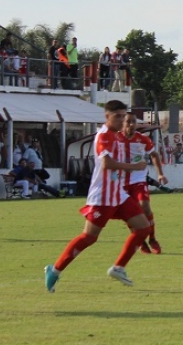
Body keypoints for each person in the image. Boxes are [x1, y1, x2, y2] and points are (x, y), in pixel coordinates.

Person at [44, 100, 152, 292]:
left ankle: (118, 268)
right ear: (106, 116)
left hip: (117, 194)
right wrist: (134, 167)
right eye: (117, 116)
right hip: (102, 196)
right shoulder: (103, 136)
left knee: (143, 228)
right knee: (89, 237)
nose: (122, 119)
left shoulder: (116, 136)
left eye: (123, 115)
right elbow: (107, 164)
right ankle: (55, 269)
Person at [121, 113, 167, 254]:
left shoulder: (142, 139)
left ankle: (152, 239)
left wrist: (160, 173)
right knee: (129, 214)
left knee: (145, 206)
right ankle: (140, 241)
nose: (131, 124)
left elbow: (154, 154)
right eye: (128, 122)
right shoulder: (115, 139)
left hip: (138, 180)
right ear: (123, 123)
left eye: (133, 122)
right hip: (120, 182)